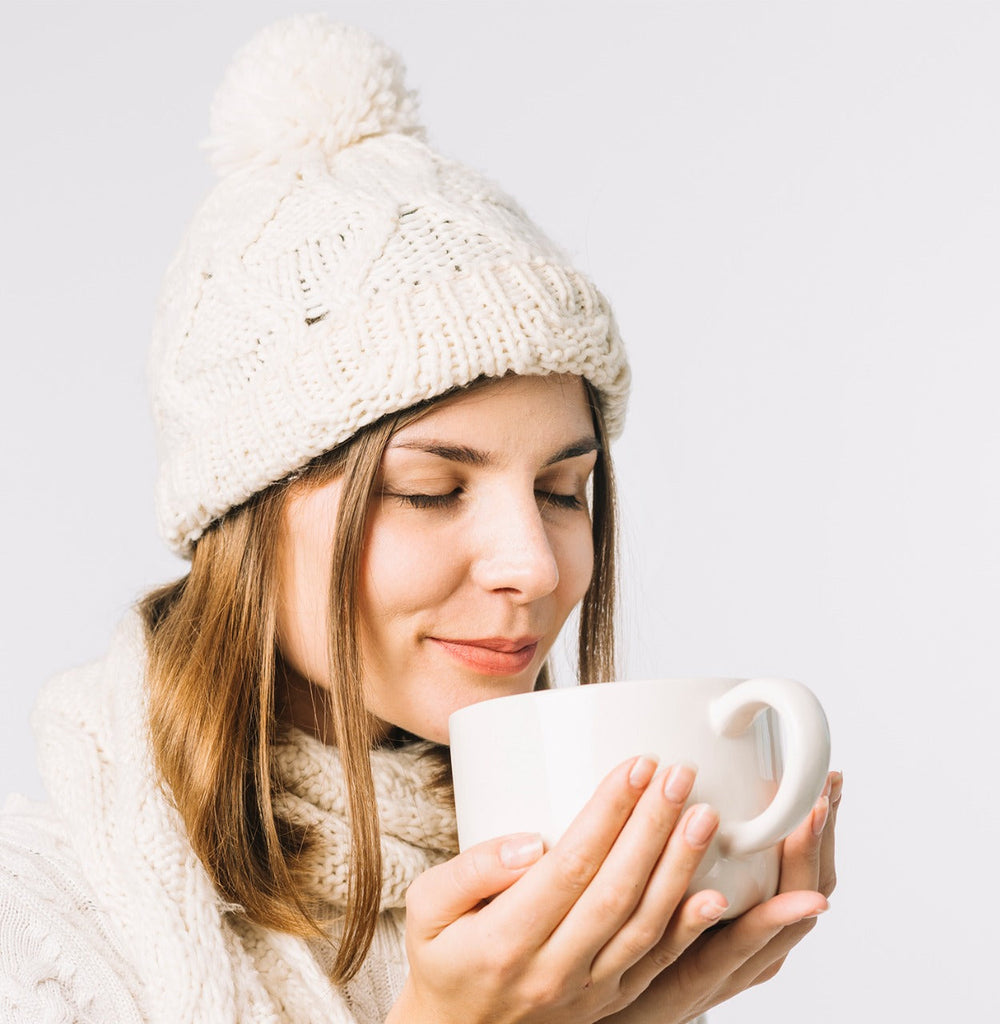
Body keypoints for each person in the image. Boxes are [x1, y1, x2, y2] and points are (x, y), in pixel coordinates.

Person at [0, 15, 840, 1024]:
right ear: (245, 513)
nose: (535, 567)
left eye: (562, 492)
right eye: (432, 491)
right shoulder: (38, 922)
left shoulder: (574, 931)